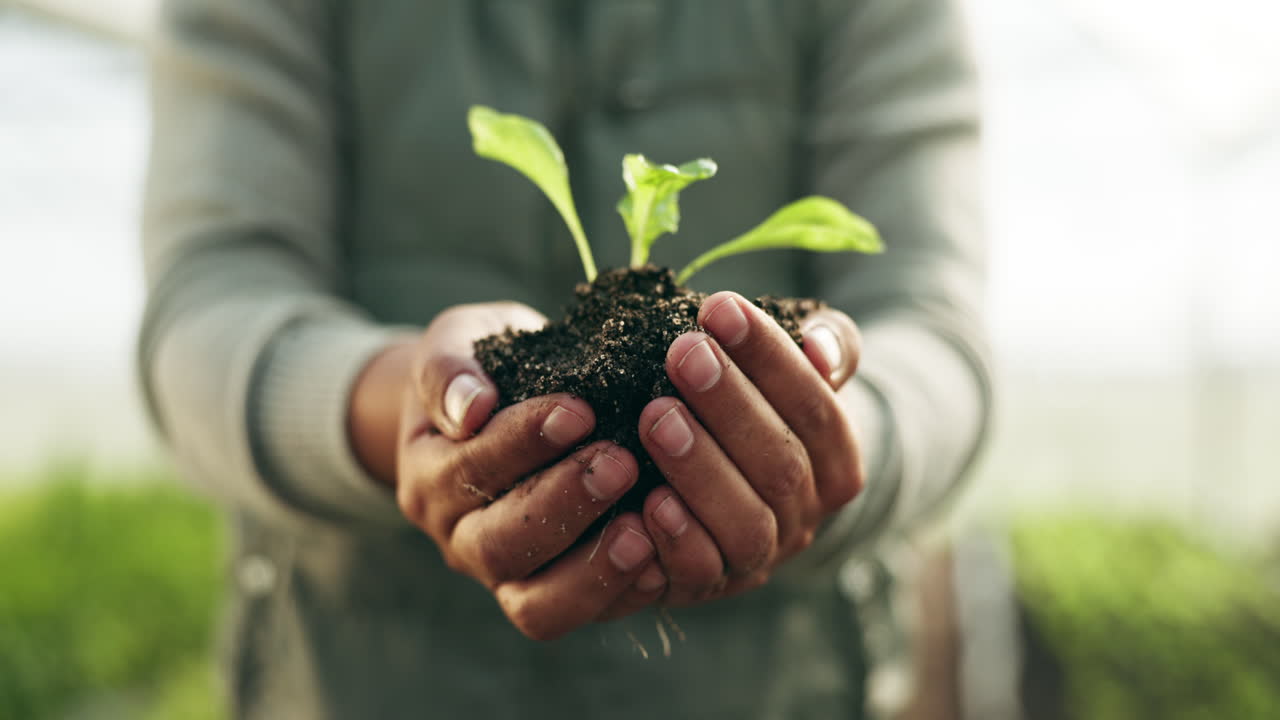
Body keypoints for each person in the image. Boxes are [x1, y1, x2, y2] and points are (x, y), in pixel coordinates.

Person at [138, 0, 991, 717]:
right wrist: (404, 405)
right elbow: (207, 312)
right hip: (355, 671)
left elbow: (935, 338)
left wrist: (834, 437)